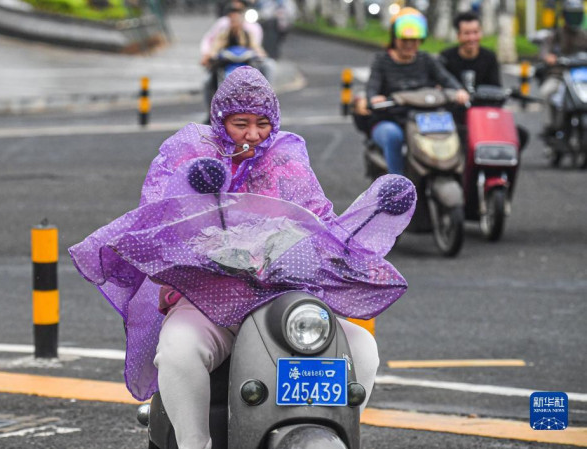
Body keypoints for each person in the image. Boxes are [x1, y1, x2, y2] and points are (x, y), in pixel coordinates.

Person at [70, 67, 391, 449]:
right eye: (240, 123)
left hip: (282, 301)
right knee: (177, 351)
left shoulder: (287, 159)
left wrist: (345, 246)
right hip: (209, 299)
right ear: (220, 120)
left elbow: (319, 219)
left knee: (363, 349)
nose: (253, 135)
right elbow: (159, 217)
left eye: (262, 123)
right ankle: (195, 443)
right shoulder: (189, 154)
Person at [363, 7, 469, 175]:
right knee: (393, 137)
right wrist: (375, 99)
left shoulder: (426, 59)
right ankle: (398, 187)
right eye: (404, 39)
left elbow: (447, 80)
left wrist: (459, 91)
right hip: (390, 120)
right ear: (394, 38)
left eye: (414, 40)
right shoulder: (381, 61)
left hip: (423, 120)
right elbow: (372, 88)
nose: (409, 44)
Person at [439, 11, 529, 151]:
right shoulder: (446, 57)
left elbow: (496, 88)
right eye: (467, 33)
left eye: (475, 32)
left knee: (519, 135)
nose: (472, 37)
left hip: (484, 115)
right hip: (455, 116)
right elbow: (440, 86)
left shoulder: (489, 57)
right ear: (458, 35)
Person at [200, 1, 274, 116]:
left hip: (246, 64)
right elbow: (214, 44)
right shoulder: (222, 29)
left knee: (268, 67)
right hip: (225, 64)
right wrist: (208, 55)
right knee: (207, 81)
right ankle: (210, 113)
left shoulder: (250, 31)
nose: (234, 19)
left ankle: (266, 103)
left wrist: (260, 54)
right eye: (232, 15)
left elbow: (256, 47)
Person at [538, 0, 587, 137]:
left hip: (581, 77)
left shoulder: (584, 35)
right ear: (564, 16)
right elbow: (544, 50)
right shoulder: (556, 35)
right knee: (545, 92)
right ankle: (550, 126)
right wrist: (548, 57)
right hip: (560, 75)